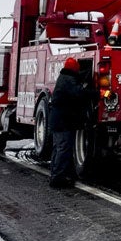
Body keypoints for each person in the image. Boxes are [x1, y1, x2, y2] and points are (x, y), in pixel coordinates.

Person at [48, 56, 90, 187]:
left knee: (58, 149)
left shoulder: (64, 78)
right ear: (74, 69)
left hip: (58, 121)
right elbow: (78, 92)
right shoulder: (68, 80)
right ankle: (58, 179)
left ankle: (56, 175)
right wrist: (94, 93)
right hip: (63, 122)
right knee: (63, 149)